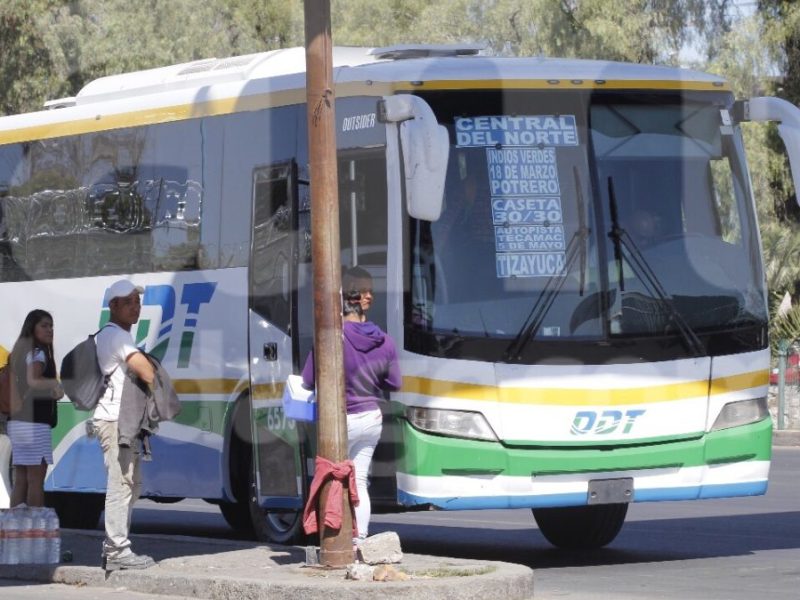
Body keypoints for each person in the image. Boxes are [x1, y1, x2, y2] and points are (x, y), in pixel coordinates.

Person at [301, 290, 402, 549]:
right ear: (362, 309)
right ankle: (360, 539)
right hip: (371, 417)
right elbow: (394, 383)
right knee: (359, 480)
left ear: (339, 309)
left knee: (331, 478)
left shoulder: (331, 338)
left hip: (340, 421)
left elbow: (308, 379)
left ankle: (333, 539)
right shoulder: (386, 341)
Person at [92, 279, 156, 571]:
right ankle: (117, 549)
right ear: (113, 306)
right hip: (115, 420)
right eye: (128, 302)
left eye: (137, 302)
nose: (136, 307)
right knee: (120, 484)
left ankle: (114, 546)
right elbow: (145, 370)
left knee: (132, 483)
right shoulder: (118, 337)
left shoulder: (115, 335)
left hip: (121, 419)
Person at [7, 309, 63, 507]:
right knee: (36, 481)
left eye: (51, 326)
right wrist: (55, 386)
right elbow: (34, 380)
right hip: (34, 423)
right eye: (44, 326)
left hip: (17, 422)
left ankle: (15, 530)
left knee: (21, 480)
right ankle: (34, 529)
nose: (50, 330)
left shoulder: (18, 353)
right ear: (33, 328)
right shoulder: (38, 352)